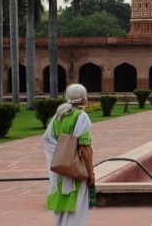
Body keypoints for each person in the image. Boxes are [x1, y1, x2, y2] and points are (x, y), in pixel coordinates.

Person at [43, 83, 96, 226]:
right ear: (83, 99)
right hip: (76, 169)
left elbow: (48, 139)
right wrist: (91, 173)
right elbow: (85, 147)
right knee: (77, 205)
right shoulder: (81, 116)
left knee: (61, 203)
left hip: (59, 168)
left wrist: (61, 157)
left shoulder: (58, 115)